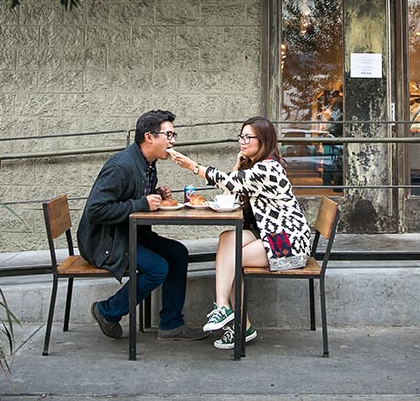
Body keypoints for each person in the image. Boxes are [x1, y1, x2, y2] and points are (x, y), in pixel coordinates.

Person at [169, 116, 311, 350]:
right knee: (227, 238)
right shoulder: (256, 166)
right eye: (241, 136)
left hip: (287, 242)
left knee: (231, 261)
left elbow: (228, 183)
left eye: (248, 137)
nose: (242, 142)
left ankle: (228, 312)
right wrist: (237, 166)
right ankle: (235, 319)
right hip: (269, 233)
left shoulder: (268, 168)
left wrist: (193, 166)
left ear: (263, 140)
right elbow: (234, 190)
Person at [77, 109, 206, 341]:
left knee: (178, 253)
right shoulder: (120, 166)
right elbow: (96, 210)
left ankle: (171, 324)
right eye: (169, 135)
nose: (173, 141)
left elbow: (132, 199)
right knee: (157, 268)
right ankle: (107, 311)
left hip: (130, 233)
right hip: (105, 241)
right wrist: (141, 203)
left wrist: (156, 195)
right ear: (149, 137)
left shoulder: (148, 163)